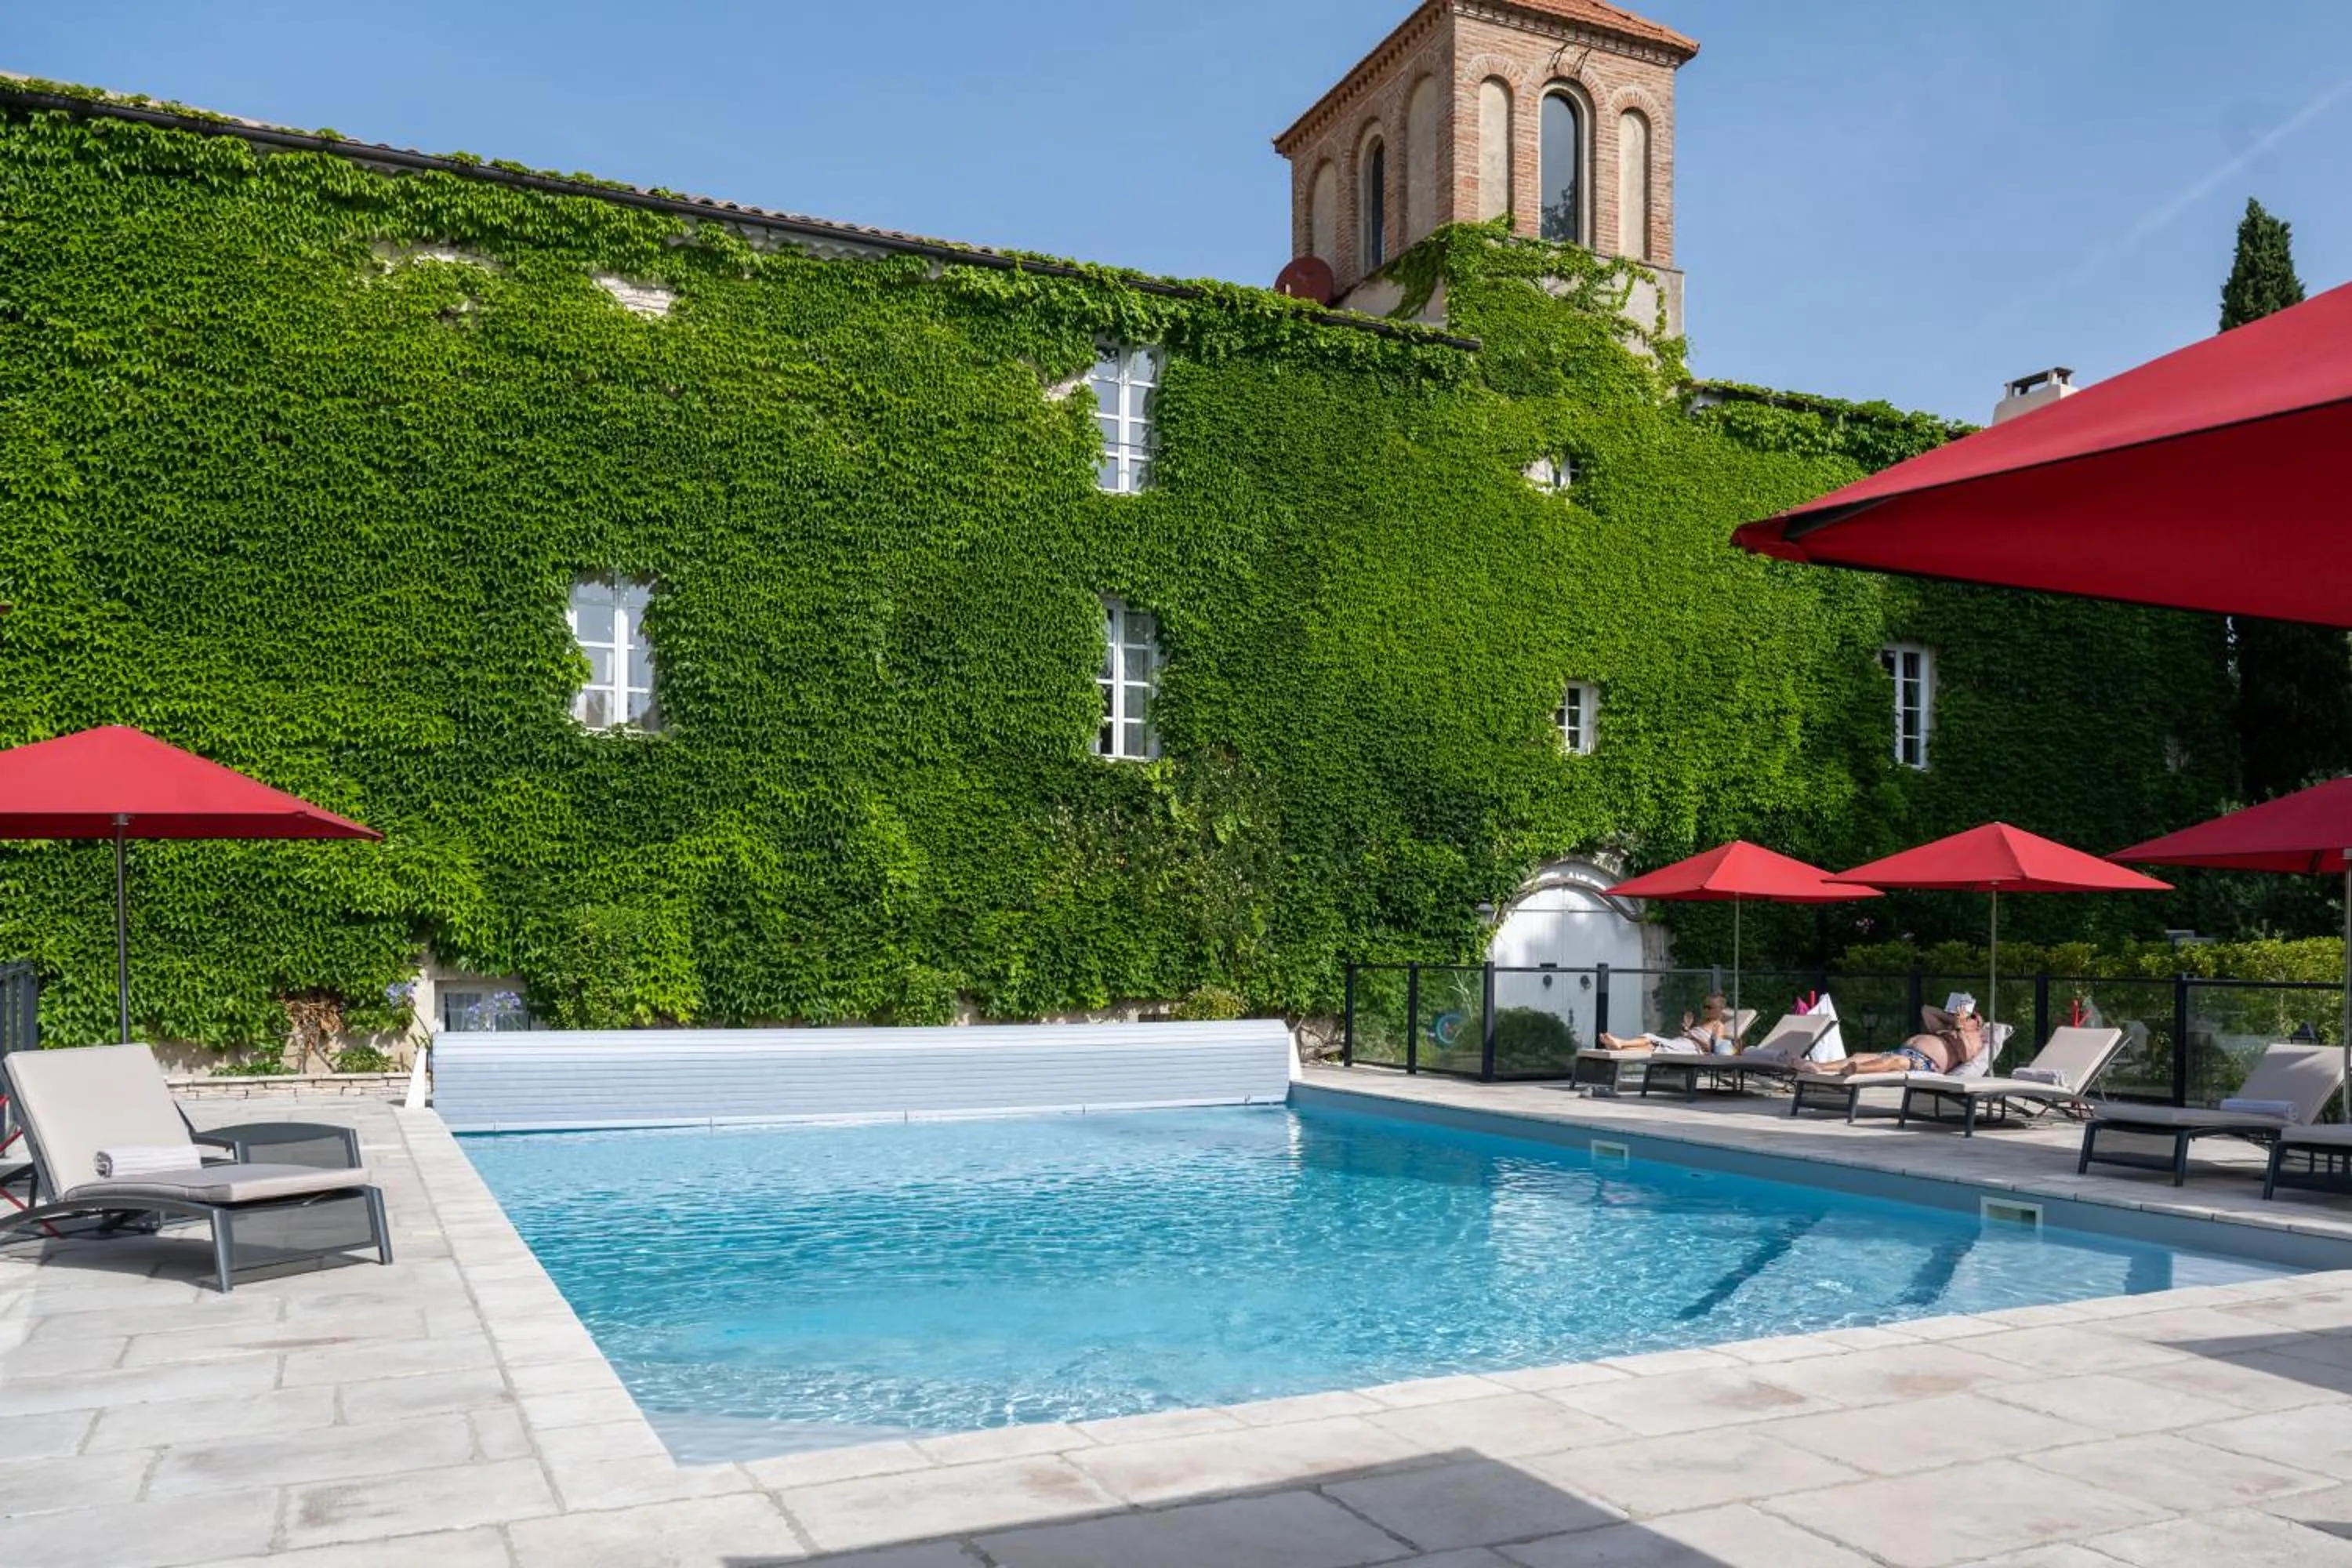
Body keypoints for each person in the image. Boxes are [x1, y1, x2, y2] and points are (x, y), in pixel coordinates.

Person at [1813, 996, 1989, 1077]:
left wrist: (1960, 1026)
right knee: (1859, 1056)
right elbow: (1926, 1010)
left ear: (1978, 1024)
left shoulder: (1975, 1038)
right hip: (1904, 1052)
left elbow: (1966, 1055)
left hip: (1926, 1063)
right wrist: (1951, 1016)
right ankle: (1818, 1067)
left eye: (1972, 1016)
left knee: (1893, 1062)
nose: (1968, 1017)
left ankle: (1856, 1070)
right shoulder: (1947, 1029)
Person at [1598, 993, 1740, 1056]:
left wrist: (1691, 1035)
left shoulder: (1718, 1026)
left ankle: (1621, 1043)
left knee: (1651, 1039)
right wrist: (1687, 1031)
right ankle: (1619, 1049)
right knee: (1652, 1047)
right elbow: (1690, 1036)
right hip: (1683, 1043)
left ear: (1719, 1009)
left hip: (1692, 1048)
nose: (1706, 1010)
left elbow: (1712, 1049)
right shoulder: (1704, 1023)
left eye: (1710, 1007)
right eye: (1705, 1006)